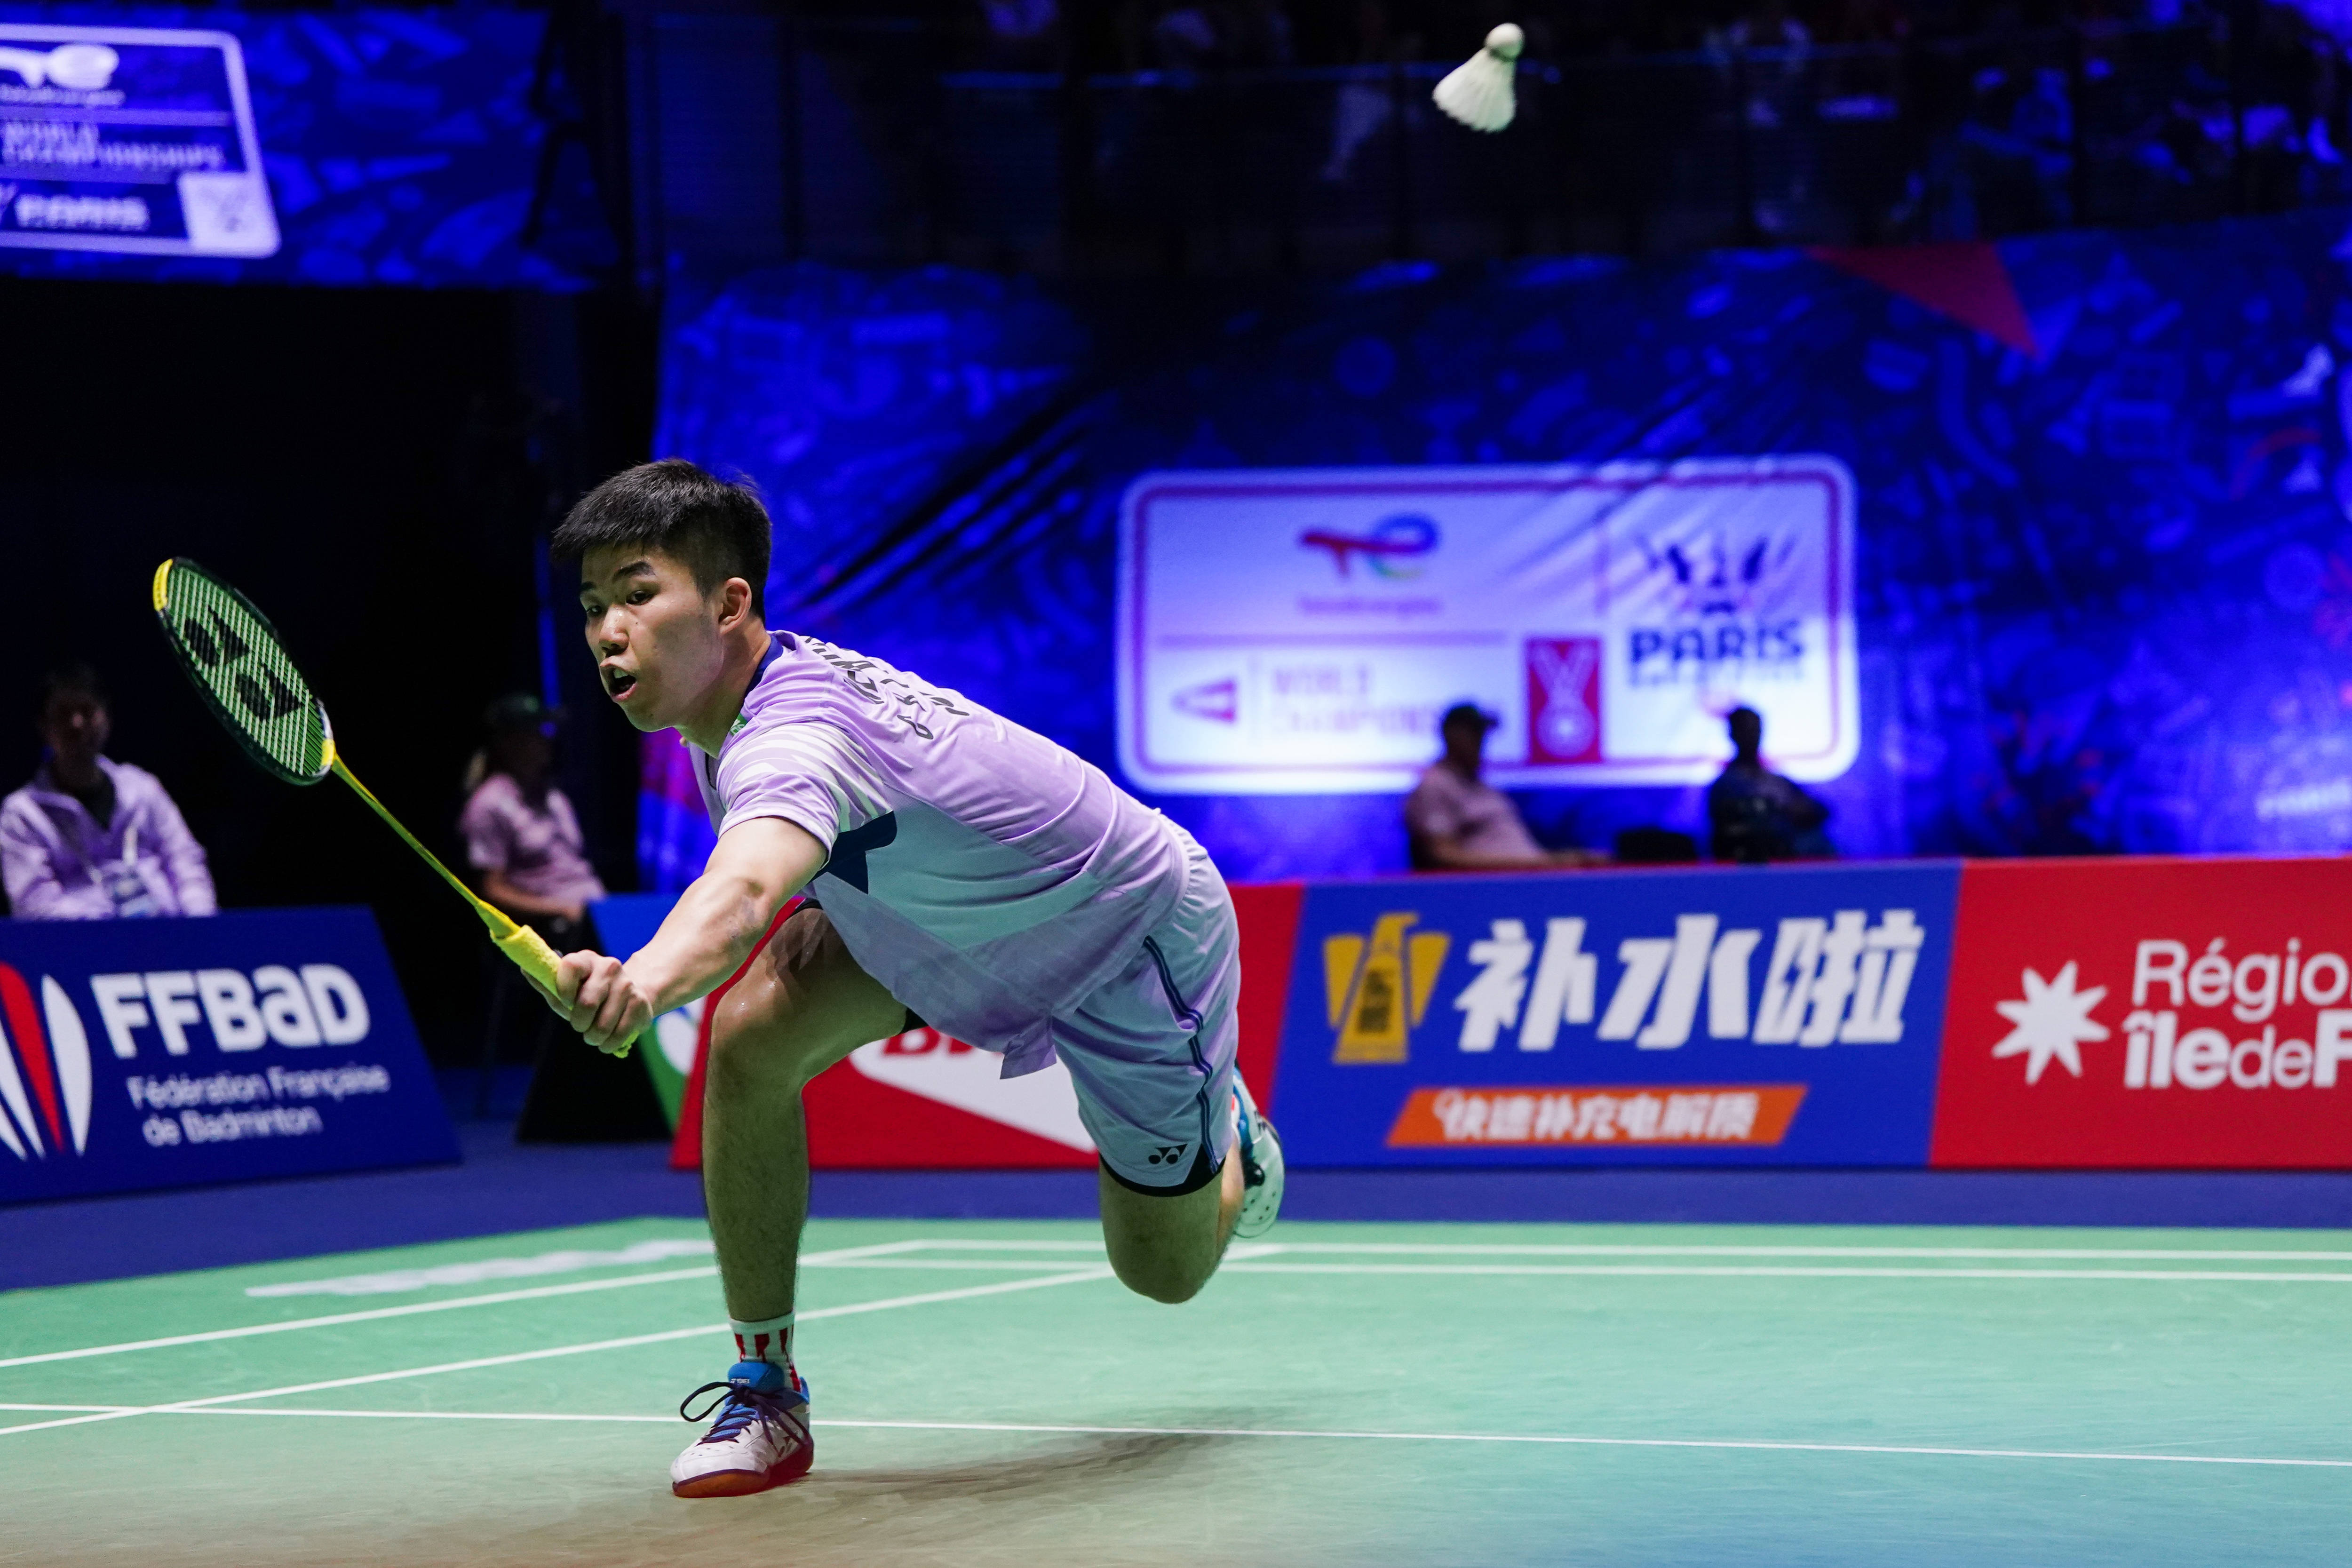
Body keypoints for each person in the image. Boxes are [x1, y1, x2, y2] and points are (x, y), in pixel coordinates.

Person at [534, 459, 1282, 1498]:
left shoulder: (795, 737)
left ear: (729, 603)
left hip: (1124, 936)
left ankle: (1228, 1133)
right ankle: (765, 1387)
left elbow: (744, 889)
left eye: (637, 593)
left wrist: (645, 979)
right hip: (938, 923)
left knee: (1162, 1272)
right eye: (592, 606)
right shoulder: (725, 707)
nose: (608, 631)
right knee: (750, 1035)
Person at [1, 664, 215, 920]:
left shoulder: (143, 788)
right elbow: (35, 906)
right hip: (83, 942)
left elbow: (186, 861)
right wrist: (113, 931)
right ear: (44, 727)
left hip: (170, 933)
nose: (77, 724)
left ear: (107, 719)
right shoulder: (22, 814)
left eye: (87, 711)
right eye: (63, 713)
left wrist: (200, 926)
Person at [459, 693, 607, 947]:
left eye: (544, 731)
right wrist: (561, 909)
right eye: (533, 732)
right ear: (508, 742)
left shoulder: (553, 795)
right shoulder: (489, 804)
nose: (544, 740)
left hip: (597, 911)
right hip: (557, 928)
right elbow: (491, 890)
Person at [1406, 702, 1598, 870]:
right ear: (1451, 735)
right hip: (1489, 889)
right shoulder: (1435, 785)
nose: (1480, 741)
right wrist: (1543, 864)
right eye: (1473, 733)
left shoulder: (1480, 785)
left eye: (1482, 734)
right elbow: (1443, 855)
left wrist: (1550, 862)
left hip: (1529, 878)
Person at [1707, 706, 1834, 863]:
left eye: (1756, 729)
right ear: (1733, 734)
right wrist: (1778, 809)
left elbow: (1821, 810)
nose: (1752, 736)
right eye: (1745, 730)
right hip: (1757, 851)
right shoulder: (1726, 784)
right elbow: (1726, 827)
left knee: (1818, 841)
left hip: (1791, 848)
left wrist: (1800, 810)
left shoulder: (1777, 780)